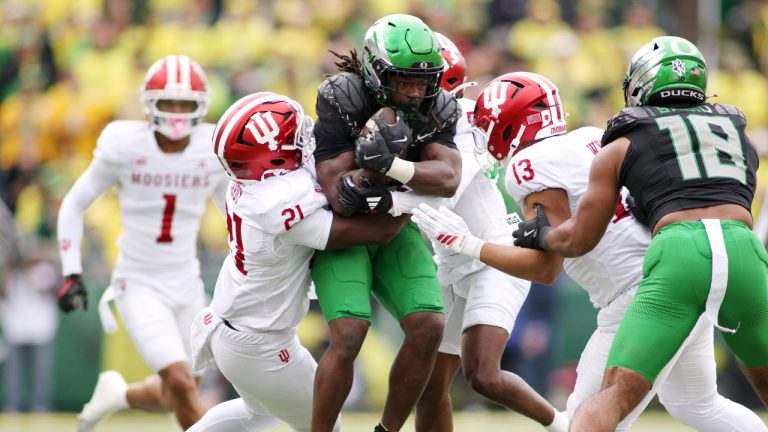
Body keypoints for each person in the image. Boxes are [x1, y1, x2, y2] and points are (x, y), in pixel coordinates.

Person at [412, 69, 767, 431]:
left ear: (508, 124)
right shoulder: (591, 137)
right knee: (697, 404)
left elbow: (544, 268)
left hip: (636, 295)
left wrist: (468, 244)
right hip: (672, 276)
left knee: (589, 416)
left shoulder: (528, 165)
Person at [504, 36, 768, 431]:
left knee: (610, 396)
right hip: (745, 250)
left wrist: (541, 237)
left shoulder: (622, 142)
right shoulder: (738, 134)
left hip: (681, 254)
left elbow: (579, 240)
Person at [186, 92, 409, 432]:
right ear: (272, 157)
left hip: (235, 331)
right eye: (292, 138)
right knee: (325, 425)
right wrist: (412, 195)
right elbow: (375, 231)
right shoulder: (281, 204)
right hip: (260, 344)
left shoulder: (255, 185)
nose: (303, 139)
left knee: (255, 415)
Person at [389, 34, 566, 432]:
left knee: (483, 374)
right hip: (452, 264)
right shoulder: (410, 124)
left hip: (492, 259)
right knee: (429, 388)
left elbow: (443, 191)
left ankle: (568, 425)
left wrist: (383, 192)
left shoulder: (466, 121)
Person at [56, 54, 228, 431]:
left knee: (180, 389)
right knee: (182, 383)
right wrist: (72, 270)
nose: (179, 112)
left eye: (186, 103)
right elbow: (74, 204)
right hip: (139, 282)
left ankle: (119, 395)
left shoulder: (212, 148)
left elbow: (233, 214)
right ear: (150, 103)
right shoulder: (124, 145)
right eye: (170, 102)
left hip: (188, 281)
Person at [311, 14, 462, 432]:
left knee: (429, 325)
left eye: (423, 81)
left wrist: (389, 165)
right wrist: (370, 165)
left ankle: (387, 431)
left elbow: (448, 179)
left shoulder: (438, 104)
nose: (416, 91)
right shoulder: (343, 95)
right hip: (345, 231)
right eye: (404, 81)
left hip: (394, 221)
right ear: (377, 73)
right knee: (349, 334)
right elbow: (337, 193)